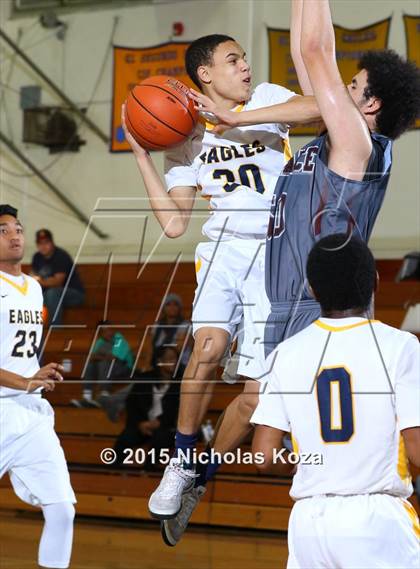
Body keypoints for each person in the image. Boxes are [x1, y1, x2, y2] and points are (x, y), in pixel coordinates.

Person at [161, 0, 420, 545]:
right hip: (288, 295)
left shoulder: (354, 141)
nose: (337, 87)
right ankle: (196, 476)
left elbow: (312, 50)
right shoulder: (339, 132)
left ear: (368, 104)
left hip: (315, 299)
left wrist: (235, 117)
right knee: (257, 410)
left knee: (273, 419)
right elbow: (311, 64)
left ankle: (369, 501)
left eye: (353, 84)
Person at [122, 32, 321, 520]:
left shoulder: (267, 99)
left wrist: (238, 118)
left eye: (245, 59)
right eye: (234, 61)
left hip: (278, 255)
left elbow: (319, 109)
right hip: (225, 252)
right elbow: (173, 224)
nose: (246, 67)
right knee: (207, 350)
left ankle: (202, 476)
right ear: (205, 74)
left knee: (255, 400)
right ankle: (182, 460)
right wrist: (142, 156)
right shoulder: (185, 135)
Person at [251, 234, 420, 569]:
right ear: (374, 282)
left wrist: (308, 467)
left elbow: (264, 455)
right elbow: (416, 450)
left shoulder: (286, 353)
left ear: (312, 289)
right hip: (377, 519)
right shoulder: (401, 346)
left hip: (309, 522)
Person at [0, 204, 75, 569]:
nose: (14, 235)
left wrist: (36, 374)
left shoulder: (32, 287)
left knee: (62, 510)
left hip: (29, 413)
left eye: (17, 228)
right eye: (3, 231)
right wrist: (26, 379)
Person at [113, 346, 182, 467]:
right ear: (159, 361)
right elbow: (132, 404)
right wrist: (140, 423)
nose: (174, 362)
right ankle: (112, 472)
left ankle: (149, 475)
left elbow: (177, 410)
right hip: (143, 424)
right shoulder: (145, 379)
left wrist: (159, 422)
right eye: (170, 359)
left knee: (160, 440)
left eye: (176, 359)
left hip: (166, 427)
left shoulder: (180, 383)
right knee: (125, 438)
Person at [70, 320, 134, 408]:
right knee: (89, 365)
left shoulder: (118, 339)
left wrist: (99, 357)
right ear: (100, 333)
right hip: (104, 369)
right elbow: (91, 357)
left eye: (109, 330)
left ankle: (104, 394)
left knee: (104, 363)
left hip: (124, 369)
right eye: (104, 331)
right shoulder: (100, 341)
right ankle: (86, 397)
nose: (108, 333)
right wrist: (102, 357)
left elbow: (113, 358)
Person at [32, 228, 85, 326]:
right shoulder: (37, 257)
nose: (43, 246)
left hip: (74, 294)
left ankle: (55, 331)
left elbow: (57, 282)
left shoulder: (61, 256)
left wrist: (40, 281)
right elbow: (33, 278)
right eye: (40, 243)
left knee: (52, 293)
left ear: (52, 243)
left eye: (46, 242)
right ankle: (33, 331)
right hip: (49, 295)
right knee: (33, 296)